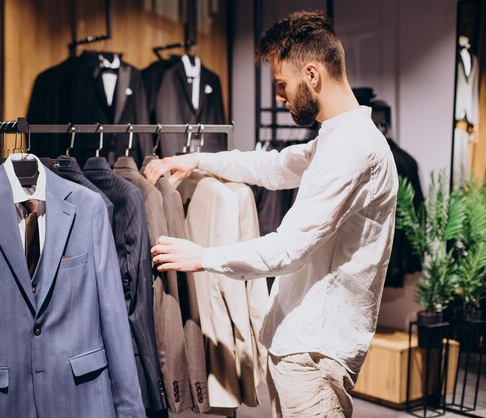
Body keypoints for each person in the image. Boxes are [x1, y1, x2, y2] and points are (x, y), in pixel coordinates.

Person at [145, 10, 398, 418]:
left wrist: (203, 257)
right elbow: (275, 166)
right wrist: (197, 161)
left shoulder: (353, 149)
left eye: (282, 84)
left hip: (314, 355)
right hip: (303, 347)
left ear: (312, 75)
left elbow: (289, 248)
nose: (280, 96)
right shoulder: (338, 138)